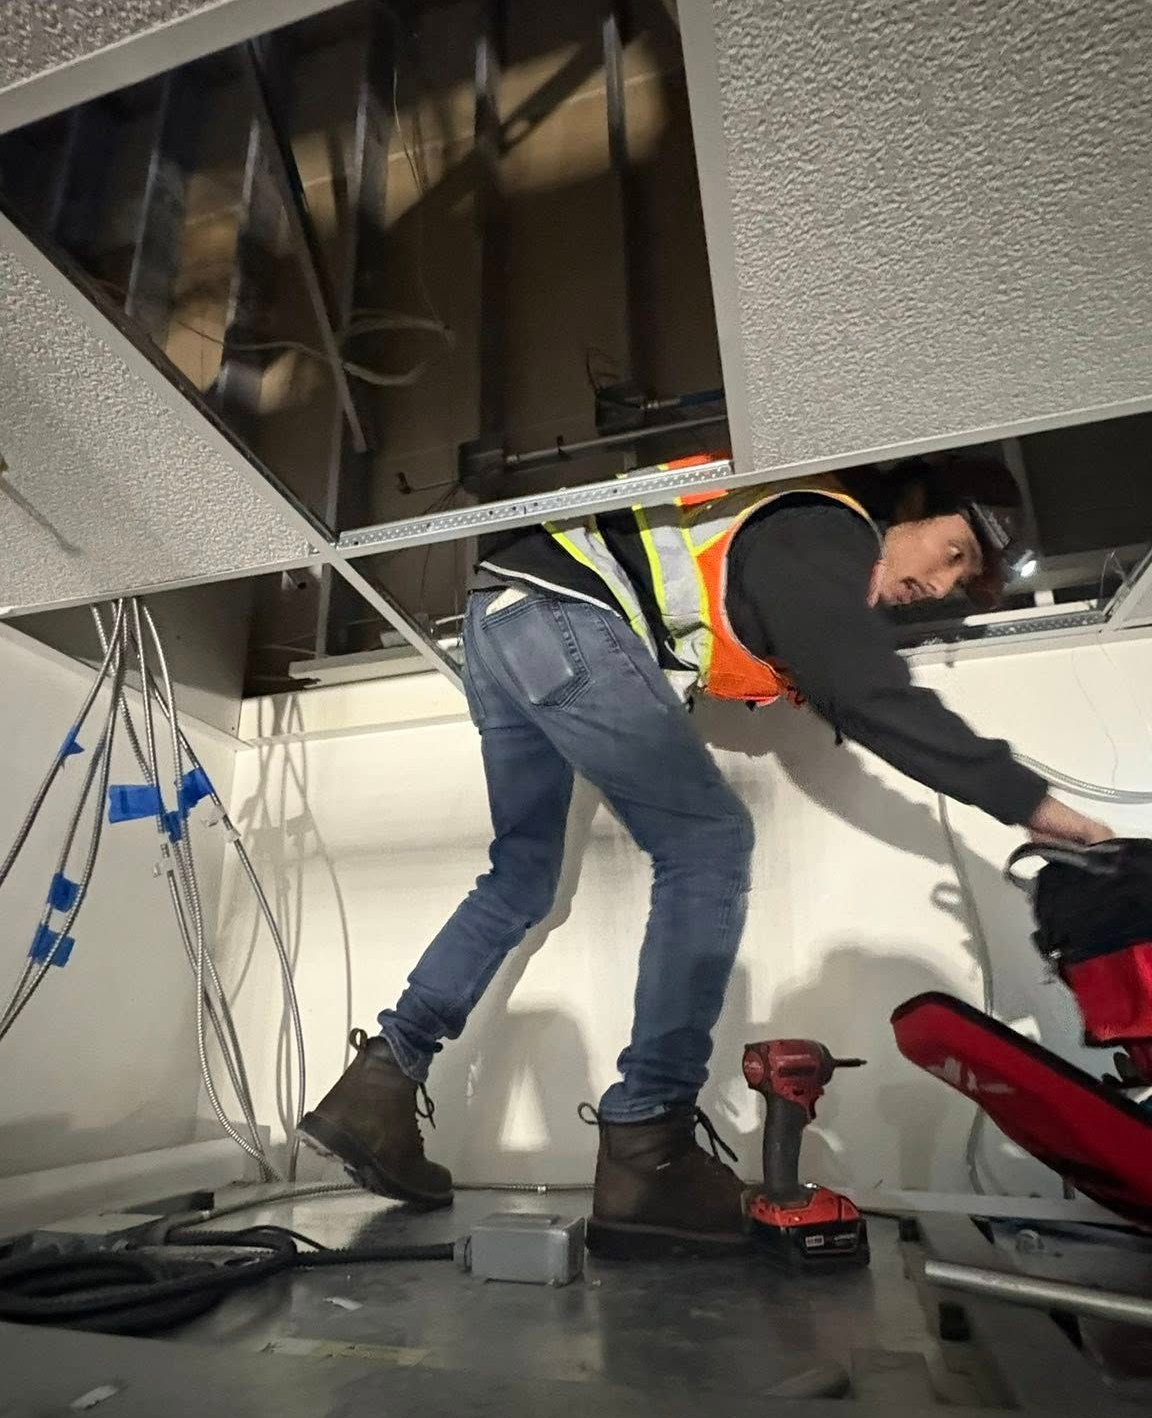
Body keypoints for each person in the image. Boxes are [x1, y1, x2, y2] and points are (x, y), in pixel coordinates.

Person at [303, 453, 1112, 1252]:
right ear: (911, 502)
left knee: (520, 877)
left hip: (500, 618)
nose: (938, 587)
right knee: (708, 846)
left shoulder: (795, 544)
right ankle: (647, 1144)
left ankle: (381, 1082)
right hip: (566, 614)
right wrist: (1033, 808)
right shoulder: (823, 527)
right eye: (954, 553)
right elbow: (869, 692)